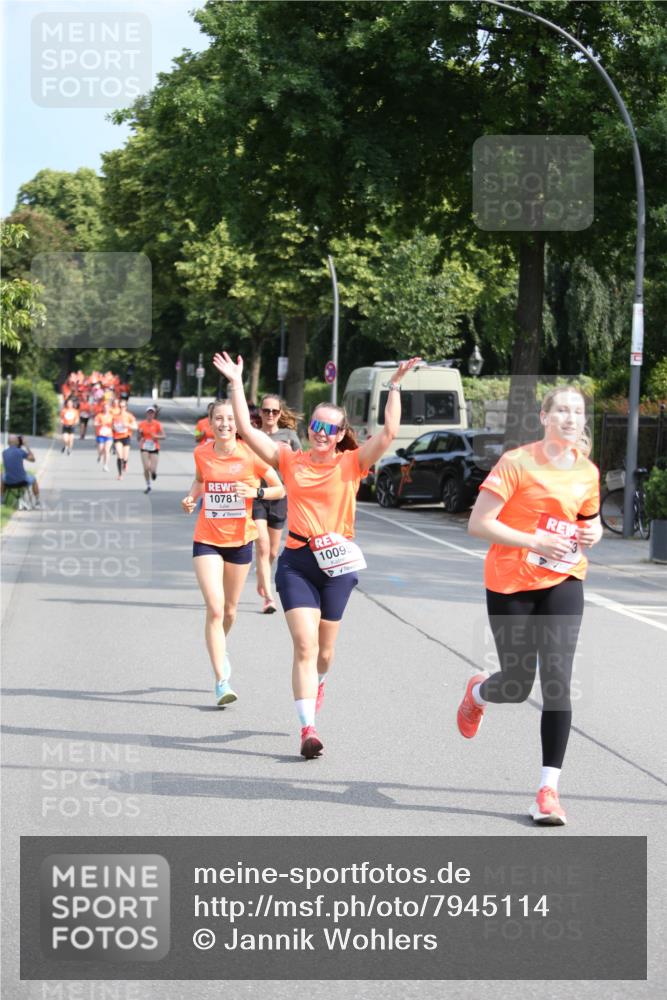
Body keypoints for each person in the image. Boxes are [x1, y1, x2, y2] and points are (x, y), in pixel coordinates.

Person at [213, 350, 420, 759]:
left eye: (330, 427)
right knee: (305, 646)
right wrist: (237, 383)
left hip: (338, 566)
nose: (321, 432)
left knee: (325, 652)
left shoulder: (352, 463)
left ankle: (319, 682)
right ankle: (308, 729)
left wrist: (394, 386)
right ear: (308, 429)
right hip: (298, 562)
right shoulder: (290, 459)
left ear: (341, 433)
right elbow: (245, 430)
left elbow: (390, 432)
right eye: (316, 425)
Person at [458, 386, 602, 826]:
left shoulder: (588, 472)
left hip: (563, 579)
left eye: (577, 411)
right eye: (561, 410)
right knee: (518, 684)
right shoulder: (517, 463)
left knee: (557, 681)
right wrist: (533, 540)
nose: (570, 418)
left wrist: (595, 535)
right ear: (544, 416)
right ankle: (480, 692)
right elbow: (478, 523)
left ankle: (547, 791)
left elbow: (588, 522)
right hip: (510, 583)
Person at [181, 399, 285, 706]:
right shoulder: (201, 452)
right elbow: (200, 481)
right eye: (219, 419)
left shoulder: (250, 453)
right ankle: (221, 680)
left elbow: (280, 488)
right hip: (207, 538)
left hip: (240, 540)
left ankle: (220, 645)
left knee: (229, 610)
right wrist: (190, 498)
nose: (225, 424)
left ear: (237, 424)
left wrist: (257, 493)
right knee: (214, 608)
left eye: (230, 419)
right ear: (210, 423)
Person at [251, 394, 301, 614]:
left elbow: (301, 463)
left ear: (280, 414)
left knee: (272, 551)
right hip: (257, 494)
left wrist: (288, 452)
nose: (270, 415)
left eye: (274, 411)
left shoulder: (289, 435)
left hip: (280, 495)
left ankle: (262, 574)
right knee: (261, 546)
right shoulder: (253, 435)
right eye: (266, 411)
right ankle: (269, 598)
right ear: (260, 412)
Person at [1, 435, 41, 507]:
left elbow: (6, 466)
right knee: (34, 479)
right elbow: (33, 459)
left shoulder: (4, 453)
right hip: (22, 481)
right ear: (17, 442)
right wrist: (26, 445)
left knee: (2, 476)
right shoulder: (20, 451)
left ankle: (2, 501)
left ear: (8, 442)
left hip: (8, 482)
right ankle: (37, 502)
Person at [137, 406, 166, 493]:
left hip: (154, 447)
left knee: (152, 469)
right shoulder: (141, 424)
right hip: (144, 447)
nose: (150, 414)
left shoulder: (157, 424)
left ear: (154, 414)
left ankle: (153, 473)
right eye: (149, 413)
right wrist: (140, 435)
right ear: (146, 414)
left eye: (152, 413)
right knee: (146, 468)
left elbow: (164, 436)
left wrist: (156, 436)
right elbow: (138, 438)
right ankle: (148, 485)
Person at [111, 398, 137, 480]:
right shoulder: (115, 416)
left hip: (126, 437)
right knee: (119, 455)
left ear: (126, 407)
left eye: (123, 406)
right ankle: (120, 474)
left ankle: (125, 463)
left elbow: (135, 427)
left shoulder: (129, 416)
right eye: (120, 406)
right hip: (117, 437)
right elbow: (112, 427)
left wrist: (128, 425)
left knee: (125, 457)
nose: (122, 408)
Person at [93, 400, 114, 471]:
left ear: (109, 408)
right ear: (103, 408)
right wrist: (101, 424)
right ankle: (99, 455)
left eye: (107, 408)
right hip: (100, 435)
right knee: (101, 449)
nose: (106, 409)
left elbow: (115, 425)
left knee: (106, 450)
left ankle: (105, 465)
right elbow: (95, 424)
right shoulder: (99, 416)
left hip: (109, 435)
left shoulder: (112, 416)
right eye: (105, 407)